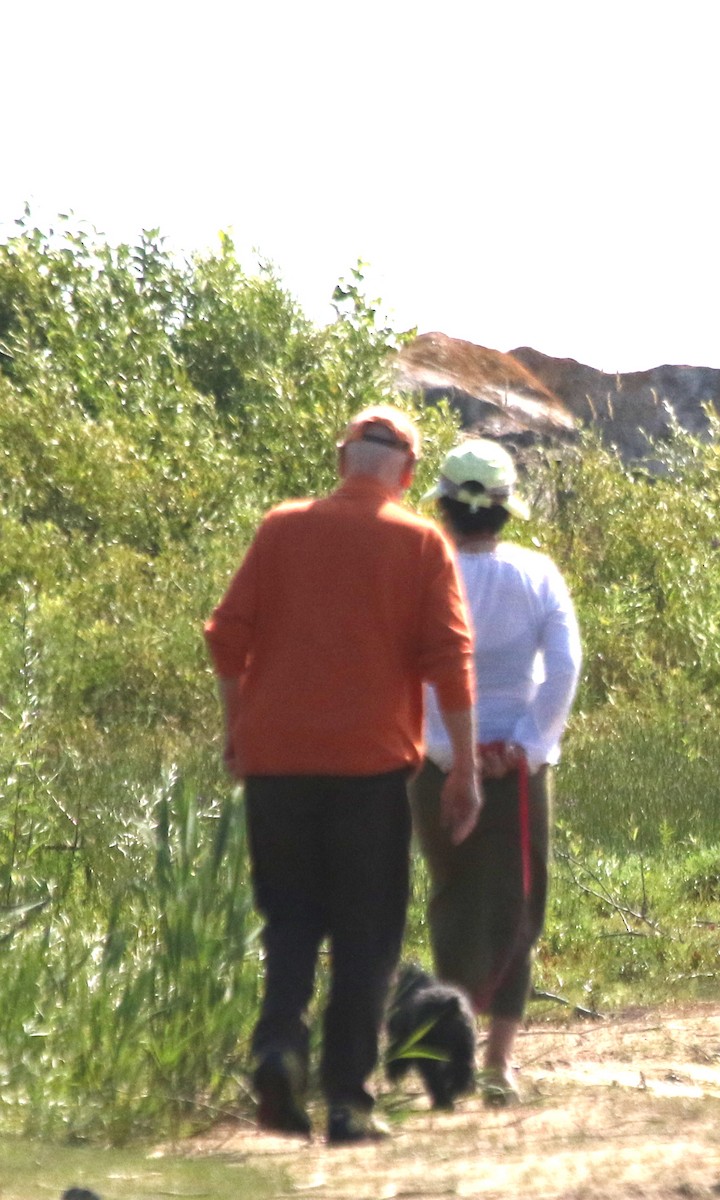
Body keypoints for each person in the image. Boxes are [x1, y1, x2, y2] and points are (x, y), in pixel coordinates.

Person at [203, 405, 480, 1145]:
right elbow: (450, 661)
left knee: (290, 921)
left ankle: (277, 1049)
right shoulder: (421, 543)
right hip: (368, 773)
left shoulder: (281, 528)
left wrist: (236, 727)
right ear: (409, 475)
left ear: (340, 460)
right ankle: (349, 1104)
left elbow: (225, 637)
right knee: (367, 936)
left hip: (276, 767)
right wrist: (464, 770)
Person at [409, 439, 582, 1105]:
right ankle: (499, 1063)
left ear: (445, 506)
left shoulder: (424, 573)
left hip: (437, 763)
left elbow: (411, 671)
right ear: (507, 510)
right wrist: (527, 745)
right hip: (517, 770)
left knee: (452, 896)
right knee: (516, 904)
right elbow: (563, 668)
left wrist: (449, 752)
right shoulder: (537, 574)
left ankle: (450, 1055)